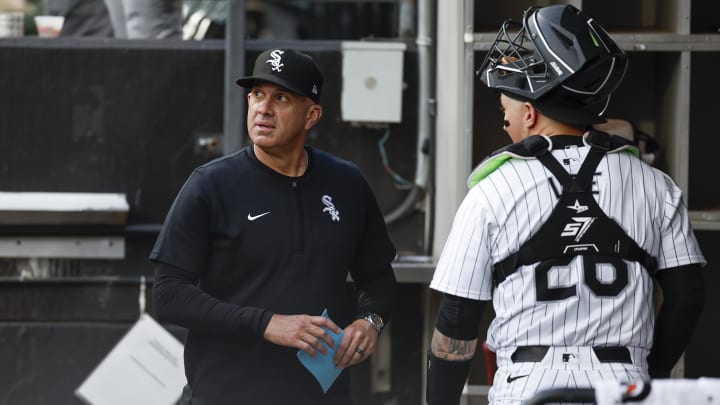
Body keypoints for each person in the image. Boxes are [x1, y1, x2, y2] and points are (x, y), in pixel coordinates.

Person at [426, 5, 706, 405]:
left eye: (506, 113)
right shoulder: (654, 184)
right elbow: (687, 296)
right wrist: (653, 374)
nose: (505, 123)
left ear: (530, 112)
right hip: (623, 385)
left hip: (528, 386)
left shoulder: (492, 189)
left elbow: (456, 320)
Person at [150, 48, 398, 404]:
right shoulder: (211, 184)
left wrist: (369, 322)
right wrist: (266, 323)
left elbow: (378, 278)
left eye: (280, 97)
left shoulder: (347, 183)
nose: (263, 109)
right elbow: (168, 294)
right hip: (225, 395)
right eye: (257, 95)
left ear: (311, 114)